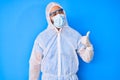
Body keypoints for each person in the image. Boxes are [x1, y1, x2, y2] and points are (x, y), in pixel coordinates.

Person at [29, 2, 94, 80]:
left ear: (64, 12)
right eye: (54, 13)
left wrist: (89, 46)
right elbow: (35, 63)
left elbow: (87, 59)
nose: (58, 15)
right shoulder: (42, 38)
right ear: (49, 18)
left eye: (60, 11)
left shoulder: (74, 35)